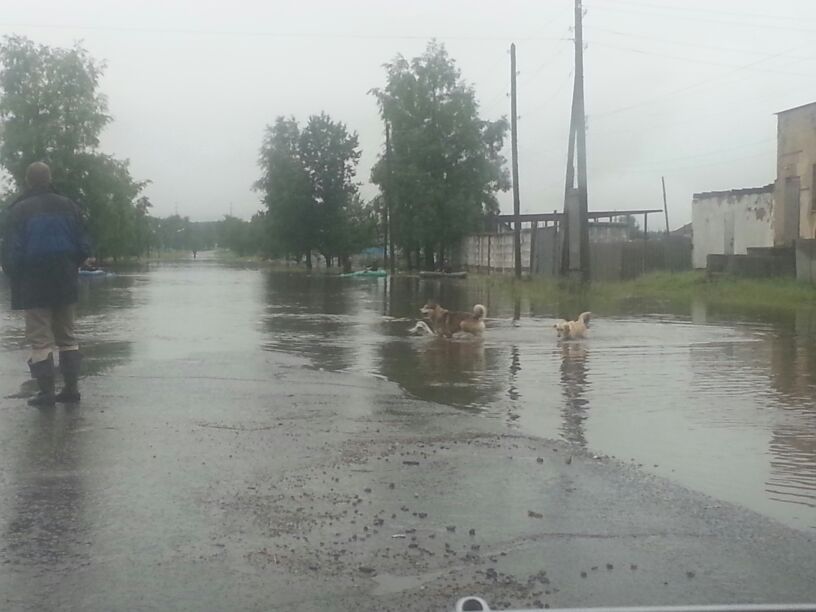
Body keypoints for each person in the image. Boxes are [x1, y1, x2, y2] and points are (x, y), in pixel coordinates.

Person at [1, 162, 91, 407]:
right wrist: (70, 266)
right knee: (68, 336)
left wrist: (17, 277)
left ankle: (46, 393)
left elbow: (11, 253)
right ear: (50, 178)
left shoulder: (18, 210)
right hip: (65, 278)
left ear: (28, 181)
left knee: (40, 339)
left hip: (34, 281)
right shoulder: (70, 206)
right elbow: (84, 245)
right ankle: (71, 389)